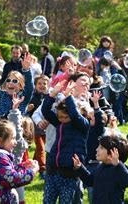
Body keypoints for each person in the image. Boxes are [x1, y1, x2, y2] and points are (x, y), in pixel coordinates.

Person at [41, 75, 90, 204]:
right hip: (53, 171)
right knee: (47, 200)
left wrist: (68, 97)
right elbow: (45, 111)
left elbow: (74, 114)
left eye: (65, 117)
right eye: (60, 117)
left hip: (69, 174)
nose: (62, 120)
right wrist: (53, 93)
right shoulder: (60, 123)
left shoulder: (81, 126)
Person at [0, 90, 34, 204]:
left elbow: (1, 130)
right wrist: (32, 171)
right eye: (12, 138)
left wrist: (15, 111)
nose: (15, 141)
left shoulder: (14, 149)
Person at [74, 134, 128, 204]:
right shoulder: (100, 167)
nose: (97, 149)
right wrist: (80, 168)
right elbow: (90, 180)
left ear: (112, 153)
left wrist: (118, 164)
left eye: (101, 147)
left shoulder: (118, 169)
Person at [0, 51, 34, 117]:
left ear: (21, 86)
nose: (10, 82)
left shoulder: (23, 97)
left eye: (15, 81)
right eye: (8, 80)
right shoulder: (0, 94)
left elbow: (29, 87)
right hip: (2, 125)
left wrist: (27, 70)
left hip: (17, 125)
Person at [26, 75, 49, 178]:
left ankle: (35, 163)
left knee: (41, 148)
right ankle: (43, 169)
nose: (42, 85)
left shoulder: (49, 97)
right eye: (39, 83)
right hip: (35, 126)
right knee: (41, 147)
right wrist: (28, 108)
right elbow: (25, 108)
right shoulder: (32, 96)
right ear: (35, 85)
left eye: (44, 83)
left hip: (46, 125)